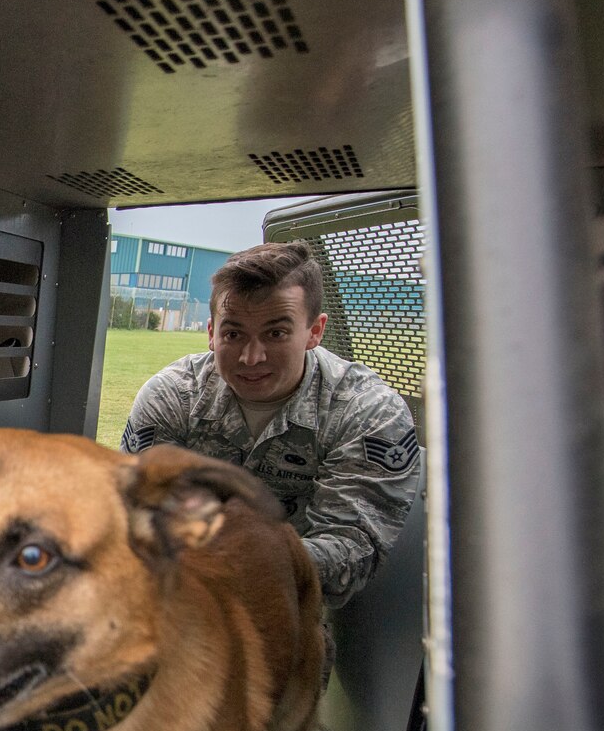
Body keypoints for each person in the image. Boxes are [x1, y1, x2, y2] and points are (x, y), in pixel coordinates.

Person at [120, 240, 418, 609]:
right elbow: (134, 510)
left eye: (275, 334)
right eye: (234, 334)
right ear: (211, 332)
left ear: (315, 331)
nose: (251, 357)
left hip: (289, 612)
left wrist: (232, 568)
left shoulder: (365, 410)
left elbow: (352, 550)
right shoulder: (175, 396)